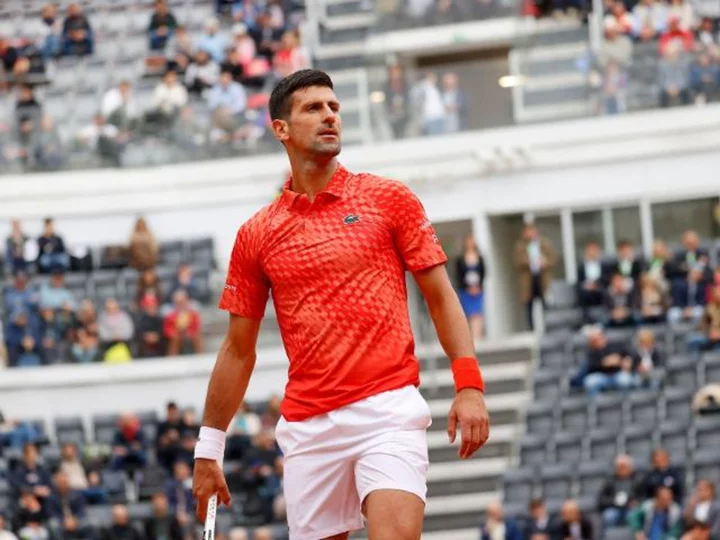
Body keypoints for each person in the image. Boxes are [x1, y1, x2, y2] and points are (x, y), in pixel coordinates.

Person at [192, 69, 489, 540]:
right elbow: (237, 349)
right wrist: (209, 449)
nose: (330, 116)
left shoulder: (389, 199)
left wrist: (468, 384)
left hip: (388, 411)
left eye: (334, 107)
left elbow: (440, 295)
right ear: (281, 130)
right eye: (313, 108)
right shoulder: (256, 234)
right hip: (308, 428)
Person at [514, 223, 556, 331]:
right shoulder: (520, 246)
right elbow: (517, 262)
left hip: (542, 278)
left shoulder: (544, 244)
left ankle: (548, 327)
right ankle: (531, 329)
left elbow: (553, 259)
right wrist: (529, 261)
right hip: (528, 279)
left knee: (545, 304)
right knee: (529, 306)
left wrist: (544, 262)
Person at [456, 233, 486, 340]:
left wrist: (477, 287)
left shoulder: (480, 258)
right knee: (468, 313)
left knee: (477, 313)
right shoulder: (460, 260)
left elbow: (483, 273)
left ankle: (477, 336)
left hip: (478, 289)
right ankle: (470, 337)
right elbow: (459, 275)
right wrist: (468, 287)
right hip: (466, 290)